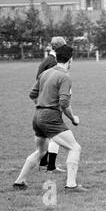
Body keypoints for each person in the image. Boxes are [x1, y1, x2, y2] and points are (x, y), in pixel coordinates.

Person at [13, 45, 87, 192]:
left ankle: (20, 181)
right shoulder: (65, 77)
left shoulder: (45, 73)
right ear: (70, 59)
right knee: (75, 147)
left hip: (37, 115)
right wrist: (73, 118)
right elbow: (64, 103)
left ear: (57, 57)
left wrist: (43, 106)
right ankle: (71, 185)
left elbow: (32, 95)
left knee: (41, 151)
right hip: (50, 117)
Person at [36, 36, 67, 173]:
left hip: (43, 102)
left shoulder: (47, 60)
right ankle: (51, 166)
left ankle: (44, 163)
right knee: (56, 134)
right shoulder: (54, 62)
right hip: (51, 103)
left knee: (46, 135)